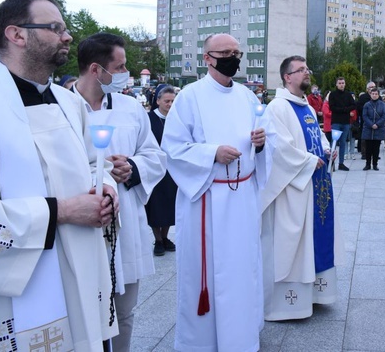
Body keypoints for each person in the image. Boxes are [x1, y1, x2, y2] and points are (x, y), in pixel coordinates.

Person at [0, 0, 119, 350]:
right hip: (16, 293)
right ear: (17, 35)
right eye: (55, 28)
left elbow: (96, 163)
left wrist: (106, 189)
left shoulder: (68, 101)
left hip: (79, 276)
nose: (68, 37)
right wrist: (60, 211)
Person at [161, 33, 270, 351]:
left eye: (237, 52)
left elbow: (262, 141)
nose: (233, 57)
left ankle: (241, 337)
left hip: (242, 199)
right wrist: (211, 154)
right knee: (208, 274)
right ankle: (203, 342)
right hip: (208, 199)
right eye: (226, 52)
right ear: (207, 58)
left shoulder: (248, 97)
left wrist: (261, 144)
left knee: (242, 269)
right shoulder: (189, 97)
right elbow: (173, 149)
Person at [72, 32, 167, 352]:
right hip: (80, 222)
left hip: (125, 216)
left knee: (123, 312)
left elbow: (155, 156)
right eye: (121, 66)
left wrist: (133, 169)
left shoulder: (130, 108)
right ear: (96, 70)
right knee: (81, 309)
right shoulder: (60, 107)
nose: (127, 72)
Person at [260, 56, 343, 321]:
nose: (307, 73)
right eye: (301, 70)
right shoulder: (277, 108)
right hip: (294, 188)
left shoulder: (305, 104)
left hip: (316, 184)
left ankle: (316, 294)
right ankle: (289, 303)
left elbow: (316, 134)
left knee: (315, 238)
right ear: (287, 76)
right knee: (294, 243)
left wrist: (326, 147)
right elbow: (279, 148)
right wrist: (308, 160)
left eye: (307, 68)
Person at [145, 84, 178, 256]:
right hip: (153, 168)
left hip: (172, 169)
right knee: (155, 206)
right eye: (167, 101)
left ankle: (165, 236)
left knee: (169, 205)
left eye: (173, 101)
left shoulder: (176, 119)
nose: (170, 105)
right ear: (158, 101)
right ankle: (157, 239)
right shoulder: (148, 119)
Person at [329, 77, 356, 171]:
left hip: (346, 122)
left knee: (343, 143)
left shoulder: (348, 94)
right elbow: (332, 107)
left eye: (343, 83)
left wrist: (345, 109)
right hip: (336, 122)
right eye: (339, 83)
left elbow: (353, 105)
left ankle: (341, 163)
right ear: (336, 84)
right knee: (334, 143)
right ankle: (331, 163)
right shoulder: (332, 94)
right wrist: (344, 109)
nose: (341, 84)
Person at [362, 86, 385, 170]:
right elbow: (364, 116)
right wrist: (371, 124)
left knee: (376, 148)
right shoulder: (367, 105)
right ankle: (367, 164)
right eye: (373, 94)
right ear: (370, 95)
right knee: (368, 148)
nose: (374, 95)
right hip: (368, 129)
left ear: (378, 95)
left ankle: (375, 164)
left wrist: (377, 124)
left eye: (376, 94)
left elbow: (384, 116)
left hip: (378, 129)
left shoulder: (382, 104)